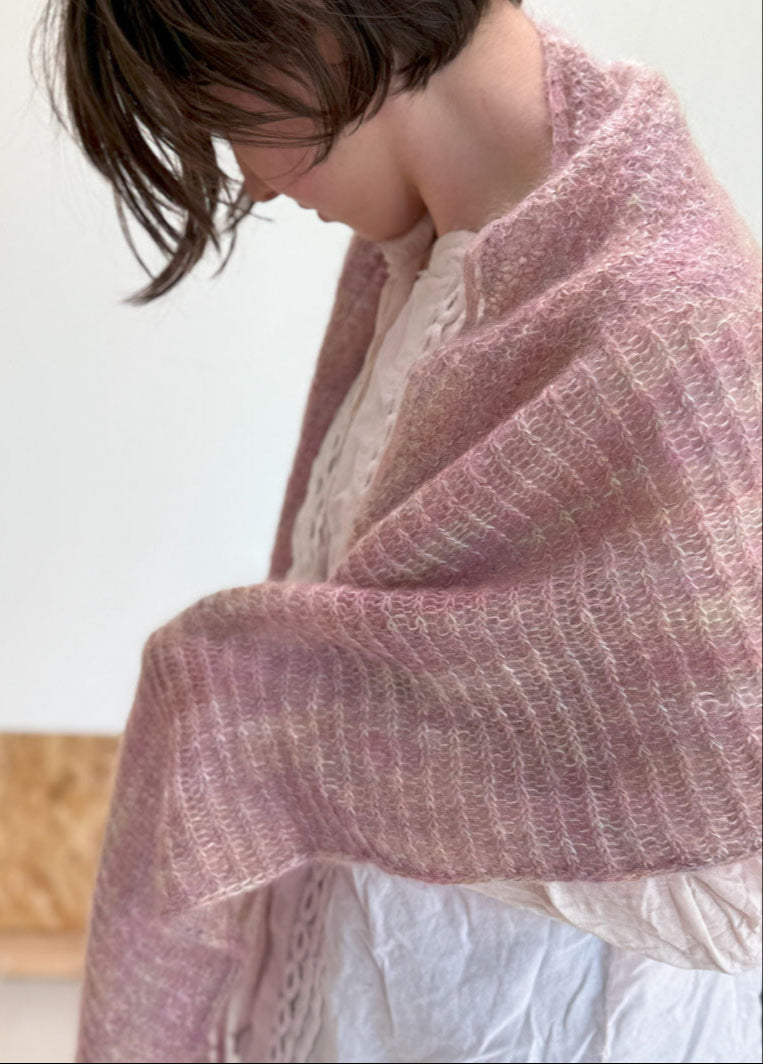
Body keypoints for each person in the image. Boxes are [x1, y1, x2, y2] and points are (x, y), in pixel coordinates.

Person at [33, 2, 762, 1061]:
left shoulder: (673, 332)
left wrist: (284, 715)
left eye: (220, 111)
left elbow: (735, 862)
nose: (248, 178)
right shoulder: (417, 262)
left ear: (306, 21)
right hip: (365, 1006)